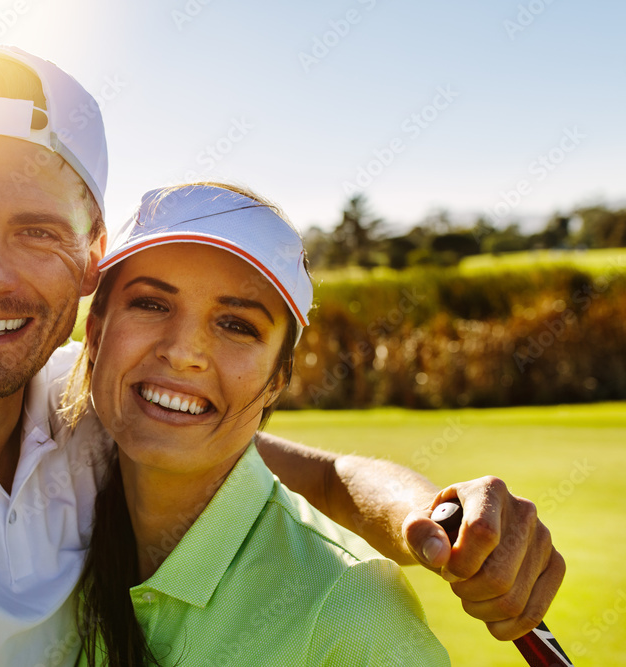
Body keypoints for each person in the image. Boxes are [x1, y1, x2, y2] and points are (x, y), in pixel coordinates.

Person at [0, 46, 563, 666]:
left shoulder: (81, 403)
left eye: (34, 231)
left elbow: (321, 478)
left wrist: (437, 525)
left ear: (89, 251)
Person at [65, 182, 450, 666]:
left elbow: (333, 478)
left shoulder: (354, 611)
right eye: (151, 304)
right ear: (95, 333)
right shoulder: (44, 447)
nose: (183, 352)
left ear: (276, 381)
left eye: (236, 325)